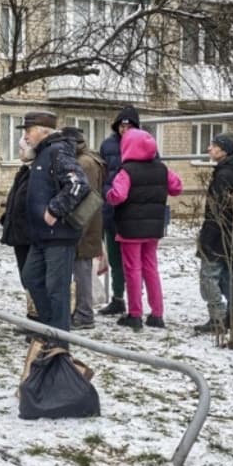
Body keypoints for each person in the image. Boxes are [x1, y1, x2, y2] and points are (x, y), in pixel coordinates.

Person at [105, 127, 183, 331]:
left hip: (130, 229)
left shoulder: (126, 171)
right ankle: (157, 314)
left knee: (132, 270)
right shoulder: (162, 168)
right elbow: (177, 188)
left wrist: (109, 195)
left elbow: (118, 195)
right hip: (154, 228)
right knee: (151, 269)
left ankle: (135, 314)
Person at [20, 111, 89, 339]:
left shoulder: (57, 152)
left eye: (29, 131)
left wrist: (55, 209)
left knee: (57, 290)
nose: (26, 137)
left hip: (59, 236)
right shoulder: (43, 154)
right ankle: (49, 326)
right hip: (41, 236)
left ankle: (60, 343)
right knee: (30, 277)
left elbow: (78, 184)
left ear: (43, 131)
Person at [195, 132, 233, 333]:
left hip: (218, 234)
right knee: (229, 276)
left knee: (209, 277)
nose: (209, 148)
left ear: (223, 150)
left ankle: (218, 318)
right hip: (232, 233)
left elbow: (218, 210)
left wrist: (207, 238)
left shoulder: (225, 175)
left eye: (213, 145)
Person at [98, 106, 139, 316]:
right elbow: (102, 175)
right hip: (112, 210)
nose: (125, 129)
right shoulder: (108, 145)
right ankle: (118, 298)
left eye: (129, 125)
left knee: (132, 260)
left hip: (133, 212)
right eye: (122, 125)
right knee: (114, 258)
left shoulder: (143, 145)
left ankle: (135, 301)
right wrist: (106, 195)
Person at [62, 126, 105, 331]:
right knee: (83, 269)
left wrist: (77, 227)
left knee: (82, 270)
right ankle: (82, 311)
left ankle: (84, 314)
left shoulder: (84, 163)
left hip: (84, 223)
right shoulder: (89, 159)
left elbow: (82, 196)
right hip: (88, 222)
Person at [0, 137, 35, 320]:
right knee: (25, 277)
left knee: (31, 277)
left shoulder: (36, 173)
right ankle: (31, 314)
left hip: (28, 234)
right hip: (19, 233)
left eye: (22, 149)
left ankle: (35, 317)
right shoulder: (23, 171)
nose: (19, 152)